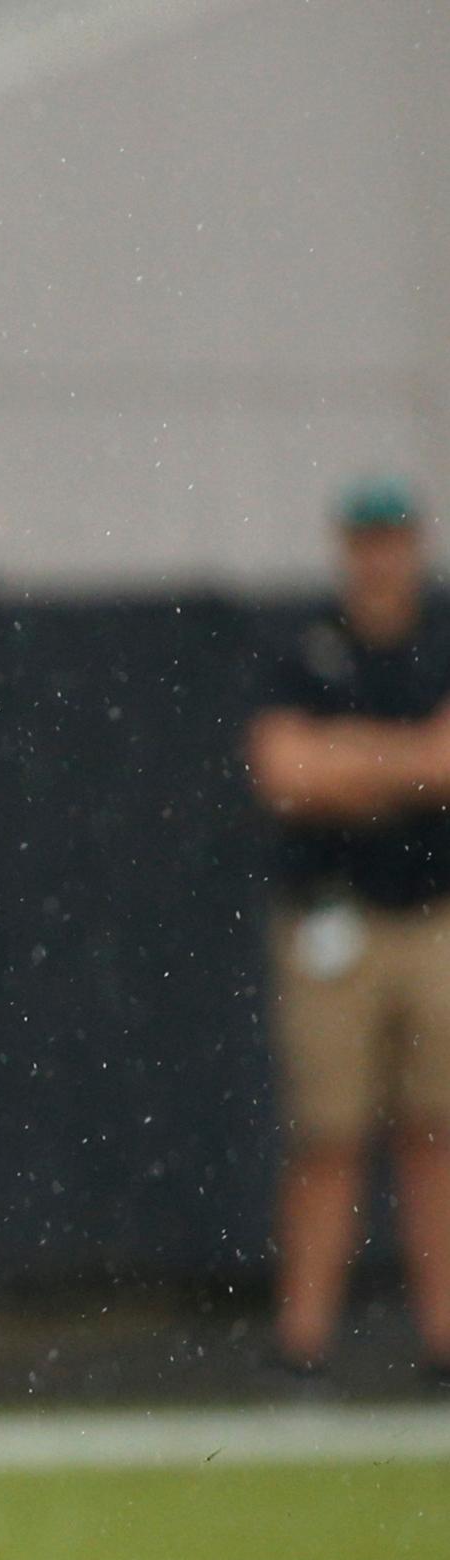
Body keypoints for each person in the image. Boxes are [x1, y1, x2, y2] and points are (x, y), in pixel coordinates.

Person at [246, 479, 450, 1387]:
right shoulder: (305, 645)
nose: (379, 557)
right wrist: (407, 761)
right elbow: (285, 771)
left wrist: (351, 763)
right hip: (334, 921)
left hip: (434, 916)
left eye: (393, 539)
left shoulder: (440, 636)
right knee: (325, 1136)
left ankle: (443, 1337)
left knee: (434, 1133)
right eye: (365, 540)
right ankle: (306, 1342)